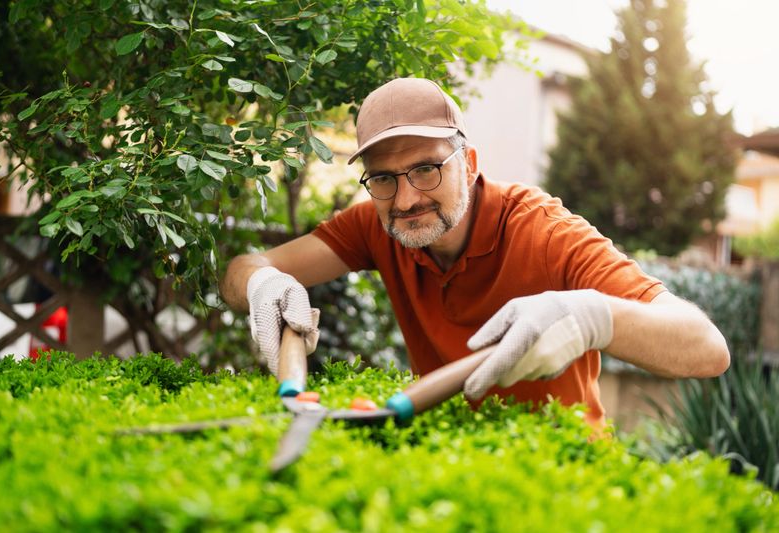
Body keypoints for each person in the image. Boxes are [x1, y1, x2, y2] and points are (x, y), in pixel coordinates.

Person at [220, 77, 729, 426]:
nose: (407, 198)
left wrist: (591, 315)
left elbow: (707, 348)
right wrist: (264, 284)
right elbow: (242, 269)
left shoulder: (546, 233)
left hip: (562, 471)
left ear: (470, 163)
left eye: (426, 168)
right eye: (382, 178)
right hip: (448, 460)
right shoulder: (377, 224)